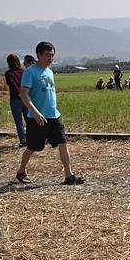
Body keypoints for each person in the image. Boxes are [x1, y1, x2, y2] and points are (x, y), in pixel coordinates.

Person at [16, 42, 84, 185]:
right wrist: (35, 113)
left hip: (54, 115)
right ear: (38, 55)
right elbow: (24, 95)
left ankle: (68, 175)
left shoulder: (50, 72)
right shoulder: (30, 72)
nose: (50, 58)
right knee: (32, 147)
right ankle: (21, 171)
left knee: (62, 143)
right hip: (37, 118)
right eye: (47, 55)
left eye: (52, 55)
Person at [5, 53, 28, 147]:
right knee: (29, 119)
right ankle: (32, 137)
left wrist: (19, 93)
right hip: (26, 98)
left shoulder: (9, 73)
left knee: (18, 121)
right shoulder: (23, 71)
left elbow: (12, 84)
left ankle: (23, 140)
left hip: (15, 99)